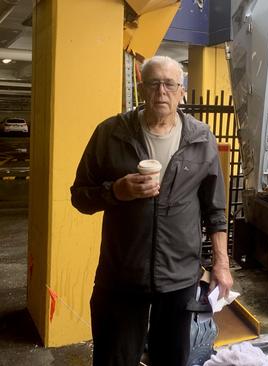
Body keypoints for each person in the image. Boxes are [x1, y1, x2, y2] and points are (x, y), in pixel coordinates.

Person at [70, 55, 233, 366]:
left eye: (170, 84)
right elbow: (80, 197)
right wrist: (117, 190)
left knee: (171, 358)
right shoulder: (110, 133)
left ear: (182, 91)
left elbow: (215, 209)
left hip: (179, 276)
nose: (162, 92)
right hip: (122, 275)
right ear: (142, 89)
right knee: (113, 358)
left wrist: (222, 265)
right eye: (154, 84)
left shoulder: (201, 139)